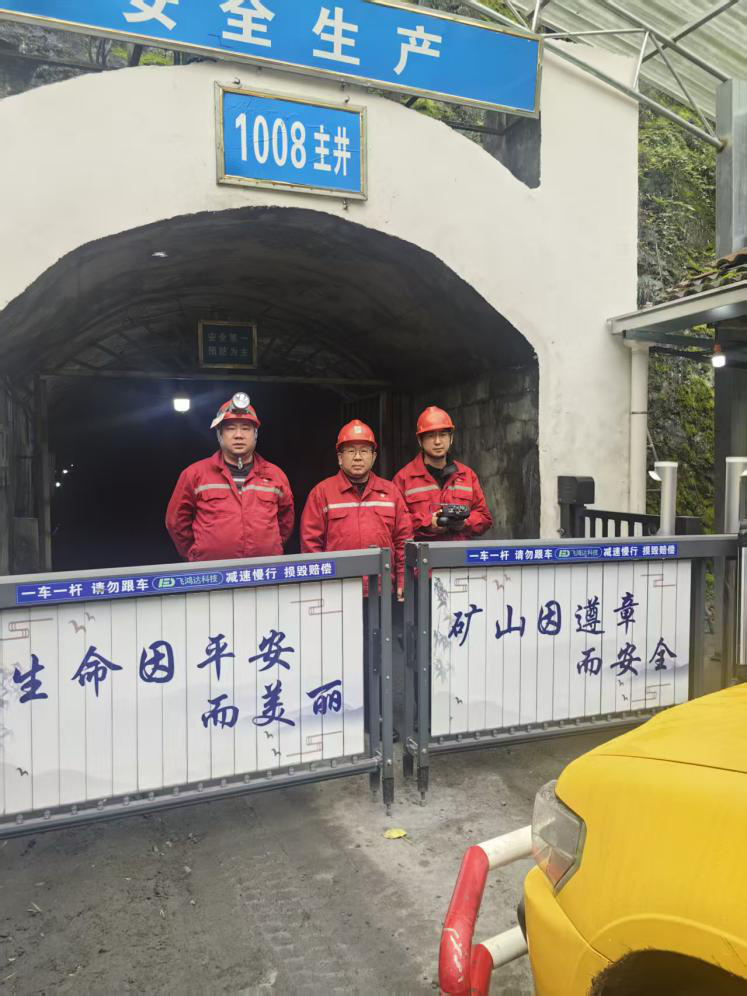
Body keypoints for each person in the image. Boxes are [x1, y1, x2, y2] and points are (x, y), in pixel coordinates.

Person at [166, 392, 294, 561]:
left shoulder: (275, 475)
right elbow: (176, 522)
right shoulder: (194, 474)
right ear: (219, 434)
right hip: (212, 570)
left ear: (255, 434)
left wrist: (270, 545)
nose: (238, 435)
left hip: (264, 570)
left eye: (246, 428)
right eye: (231, 428)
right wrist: (195, 552)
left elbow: (286, 521)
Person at [300, 419, 411, 599]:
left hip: (382, 589)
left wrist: (402, 580)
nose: (358, 457)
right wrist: (320, 584)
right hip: (337, 589)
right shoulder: (322, 493)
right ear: (339, 457)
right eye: (351, 451)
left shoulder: (391, 492)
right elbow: (310, 545)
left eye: (364, 451)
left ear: (374, 457)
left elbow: (403, 541)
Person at [393, 406, 492, 541]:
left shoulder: (467, 475)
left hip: (460, 553)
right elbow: (395, 523)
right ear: (420, 441)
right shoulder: (403, 478)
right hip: (423, 553)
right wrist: (427, 523)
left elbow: (485, 518)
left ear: (451, 438)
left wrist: (464, 523)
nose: (438, 442)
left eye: (443, 435)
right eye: (431, 436)